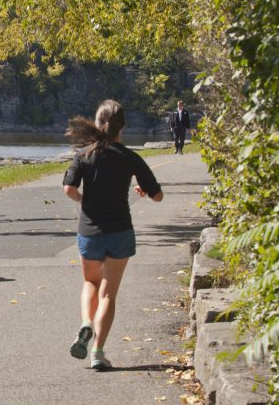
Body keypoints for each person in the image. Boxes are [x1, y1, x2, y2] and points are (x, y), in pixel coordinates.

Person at [63, 99, 163, 370]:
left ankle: (86, 323)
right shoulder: (130, 157)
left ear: (97, 123)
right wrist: (144, 192)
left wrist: (85, 200)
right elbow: (158, 196)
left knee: (91, 284)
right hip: (119, 232)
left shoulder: (84, 156)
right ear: (123, 127)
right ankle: (98, 351)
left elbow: (69, 189)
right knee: (108, 295)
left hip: (90, 232)